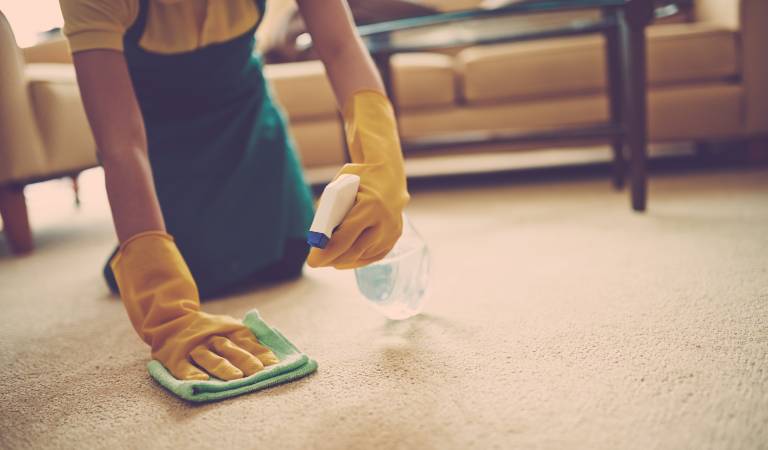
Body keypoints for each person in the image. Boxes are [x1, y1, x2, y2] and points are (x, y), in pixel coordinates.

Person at [60, 0, 409, 382]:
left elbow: (340, 45)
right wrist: (168, 311)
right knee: (197, 267)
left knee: (288, 254)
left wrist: (381, 158)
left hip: (246, 119)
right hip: (161, 139)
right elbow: (121, 146)